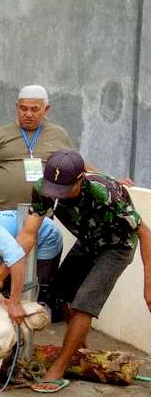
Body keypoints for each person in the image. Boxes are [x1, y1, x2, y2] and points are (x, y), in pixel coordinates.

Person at [22, 150, 151, 393]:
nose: (57, 194)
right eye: (54, 189)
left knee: (85, 303)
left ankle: (59, 367)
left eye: (65, 189)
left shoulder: (107, 194)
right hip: (88, 242)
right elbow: (28, 234)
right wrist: (2, 273)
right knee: (59, 292)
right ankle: (80, 351)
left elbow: (145, 233)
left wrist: (149, 285)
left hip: (117, 246)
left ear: (82, 179)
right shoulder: (42, 188)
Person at [0, 85, 76, 217]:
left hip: (40, 216)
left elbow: (75, 168)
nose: (28, 114)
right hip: (1, 214)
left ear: (46, 109)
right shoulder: (1, 134)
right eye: (23, 108)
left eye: (35, 109)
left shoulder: (58, 135)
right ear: (17, 107)